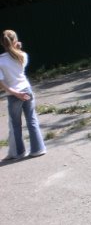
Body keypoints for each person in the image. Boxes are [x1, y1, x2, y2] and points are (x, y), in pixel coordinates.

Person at [0, 30, 46, 159]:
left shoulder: (1, 61)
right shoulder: (22, 55)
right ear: (15, 41)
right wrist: (18, 49)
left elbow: (1, 83)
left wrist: (15, 93)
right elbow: (22, 67)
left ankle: (19, 152)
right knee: (32, 120)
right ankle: (38, 149)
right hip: (27, 89)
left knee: (15, 124)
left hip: (13, 94)